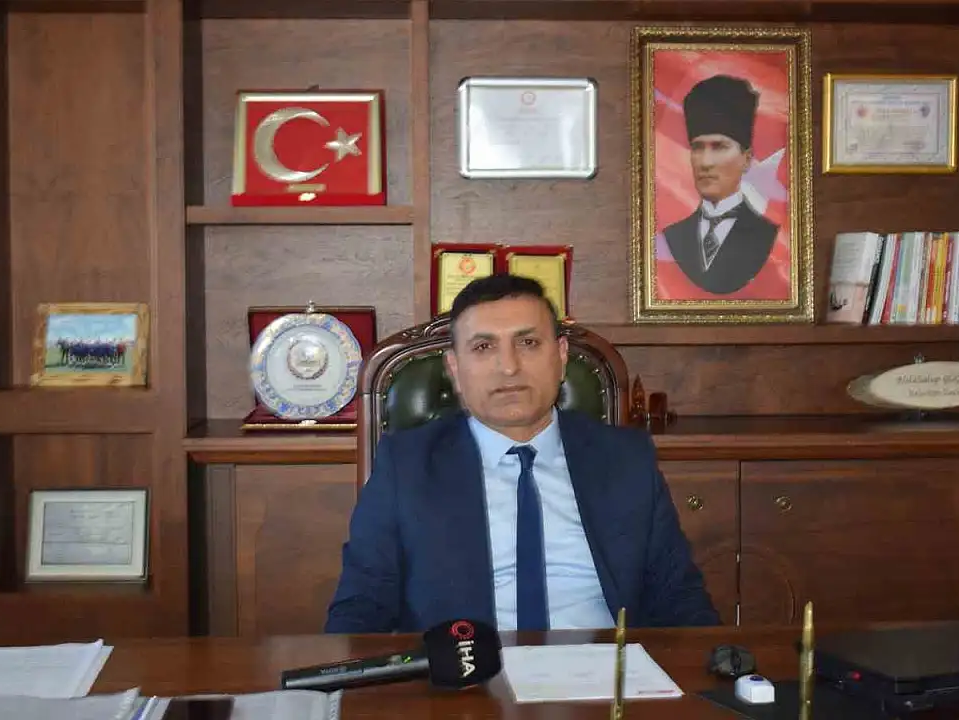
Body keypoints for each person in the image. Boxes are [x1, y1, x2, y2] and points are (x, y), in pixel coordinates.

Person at [324, 274, 720, 634]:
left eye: (528, 343)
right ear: (455, 369)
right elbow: (361, 607)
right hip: (464, 675)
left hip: (603, 673)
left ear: (561, 356)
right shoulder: (407, 466)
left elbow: (679, 597)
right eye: (483, 347)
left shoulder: (625, 459)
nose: (509, 367)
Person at [661, 74, 780, 295]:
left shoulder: (768, 236)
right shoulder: (673, 236)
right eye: (697, 147)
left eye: (719, 147)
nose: (705, 162)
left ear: (746, 159)